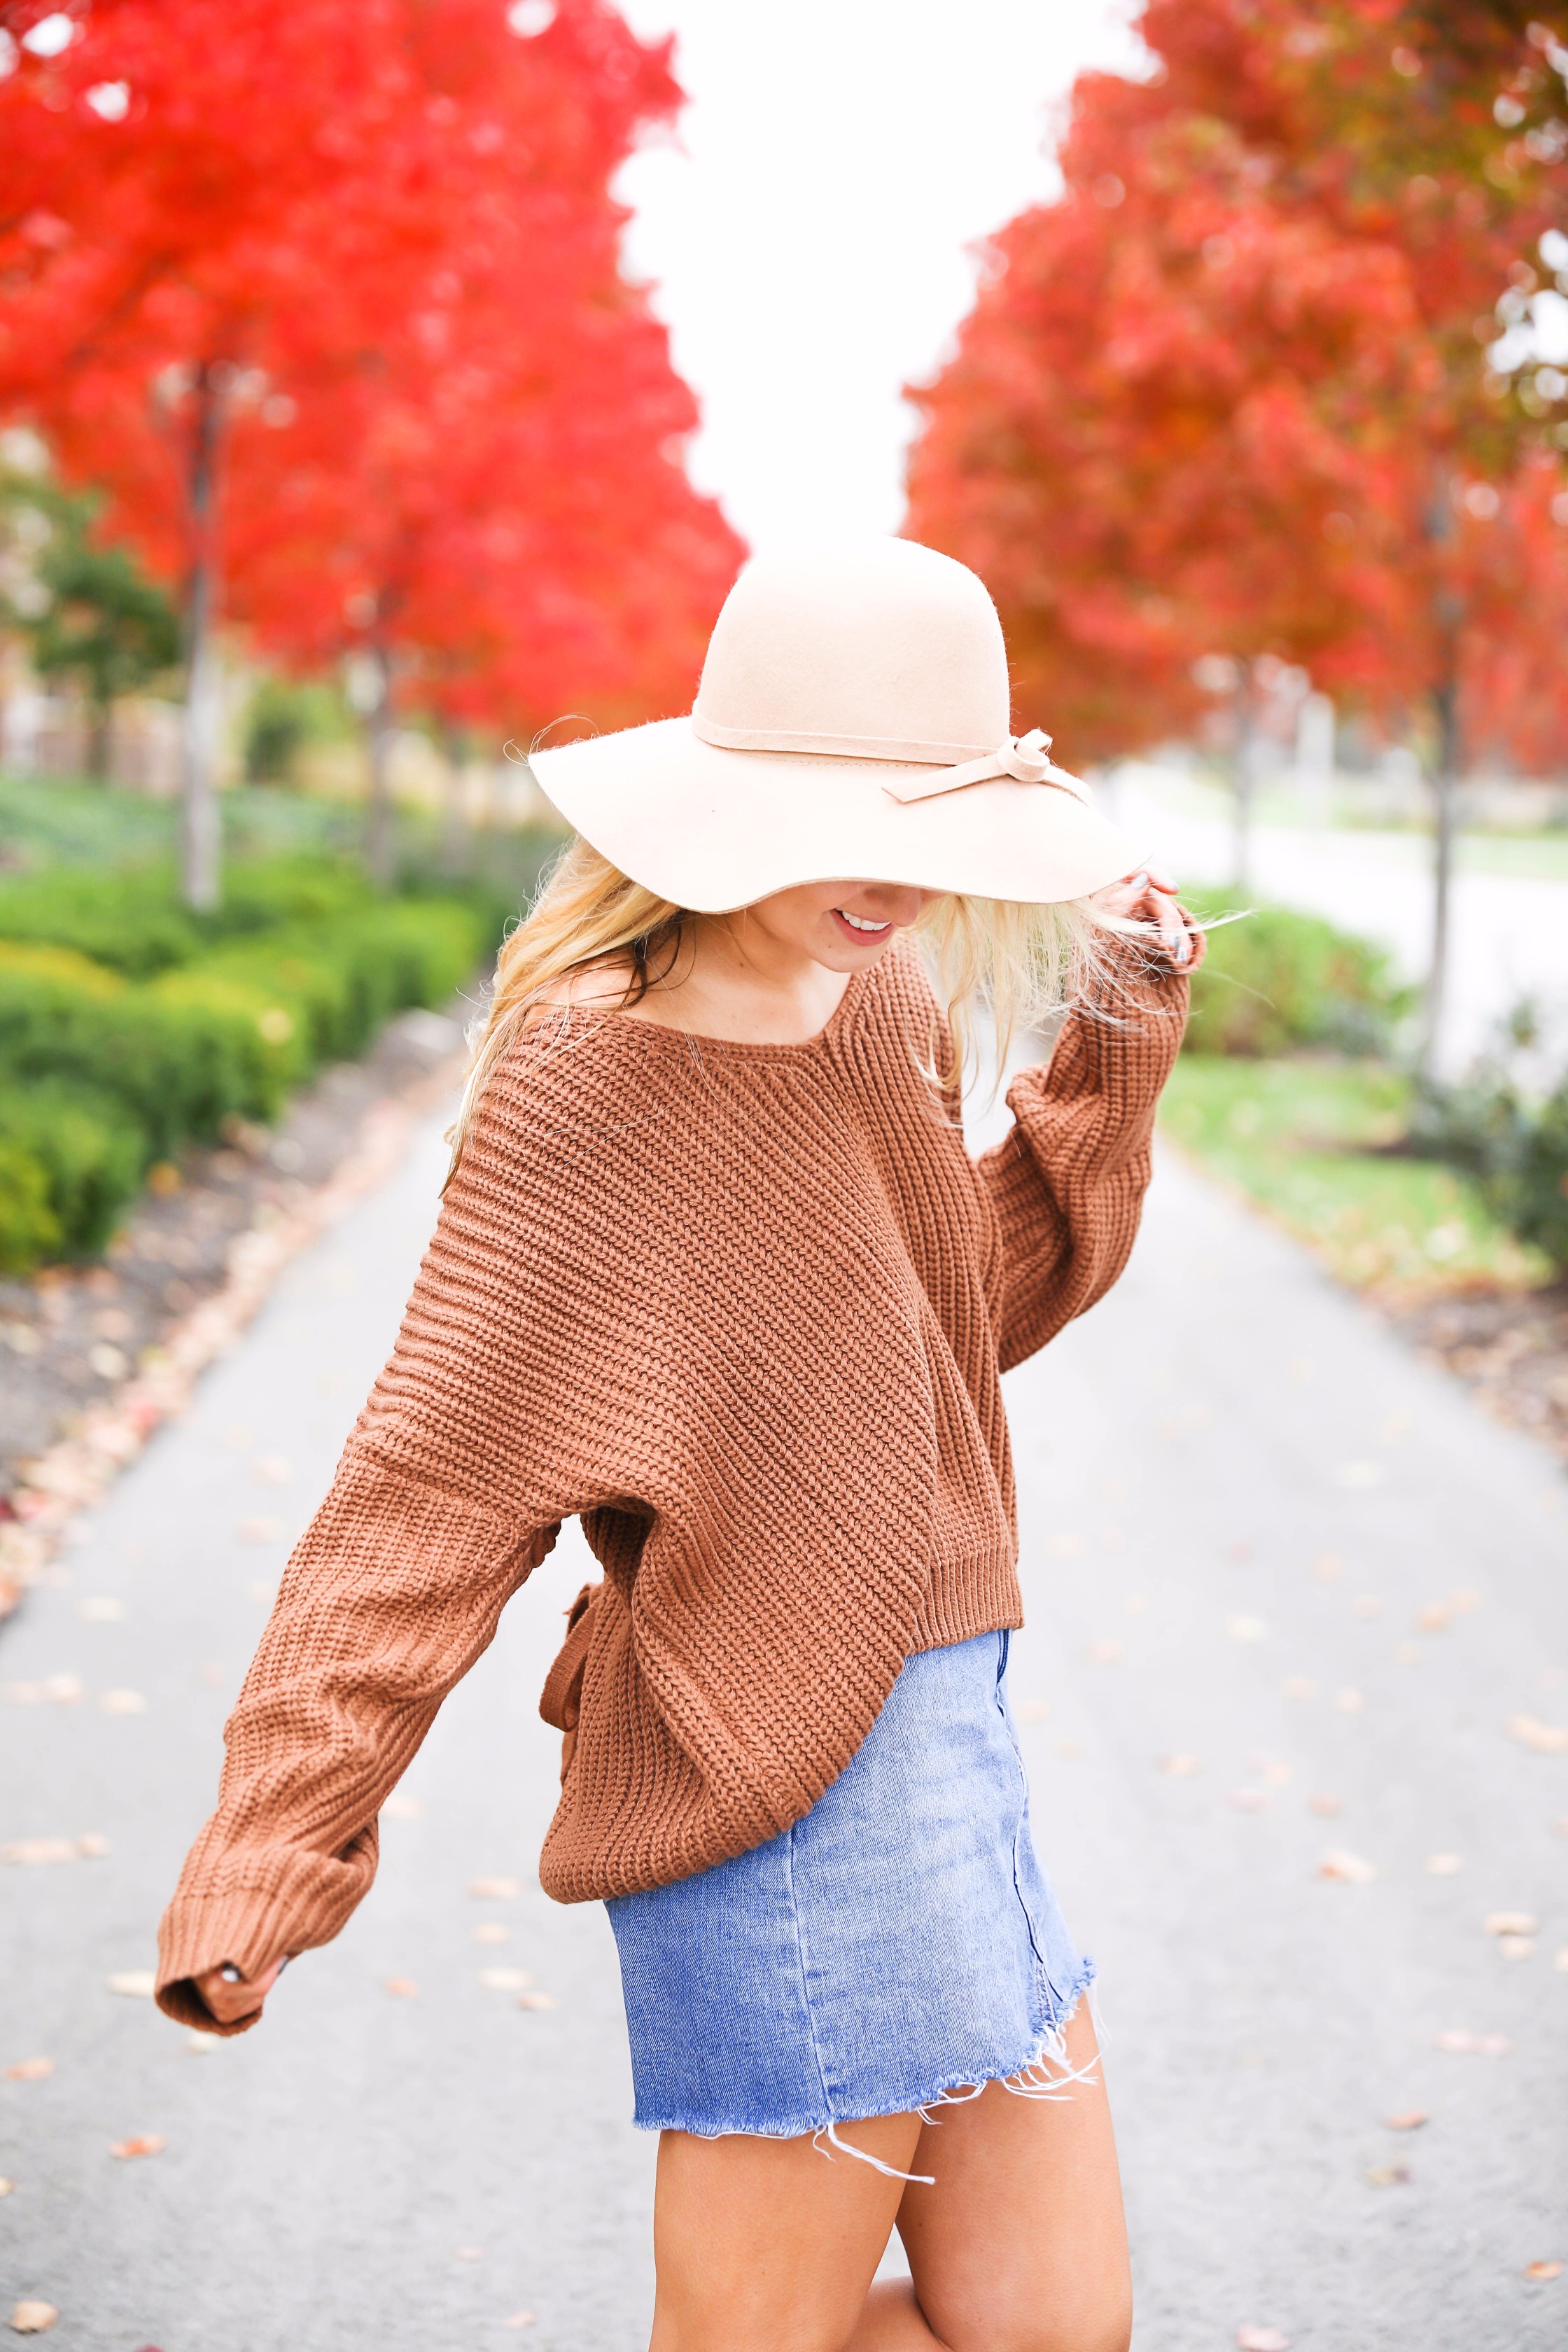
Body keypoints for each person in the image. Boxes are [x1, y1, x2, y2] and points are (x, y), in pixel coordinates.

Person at [155, 538, 1202, 2352]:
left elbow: (948, 1330)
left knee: (1054, 2331)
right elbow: (421, 1503)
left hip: (951, 1752)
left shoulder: (877, 1006)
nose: (887, 879)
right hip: (786, 1794)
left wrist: (1108, 1057)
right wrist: (275, 1845)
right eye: (842, 820)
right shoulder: (594, 1083)